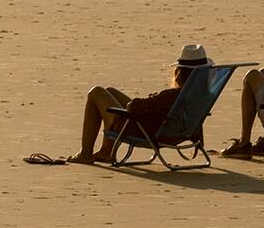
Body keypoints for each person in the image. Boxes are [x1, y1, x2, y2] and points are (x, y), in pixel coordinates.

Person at [69, 43, 212, 164]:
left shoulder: (172, 96)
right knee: (110, 91)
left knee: (96, 92)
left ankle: (86, 153)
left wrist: (152, 98)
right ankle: (106, 151)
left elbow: (134, 107)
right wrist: (199, 143)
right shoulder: (202, 97)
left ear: (179, 73)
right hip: (172, 130)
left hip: (142, 130)